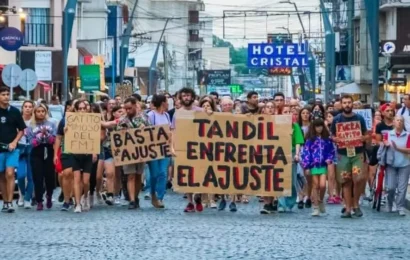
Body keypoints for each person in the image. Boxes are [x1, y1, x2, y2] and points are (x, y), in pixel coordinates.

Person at [331, 94, 368, 218]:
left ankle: (355, 204)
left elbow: (366, 134)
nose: (347, 105)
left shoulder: (359, 118)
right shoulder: (336, 119)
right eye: (345, 103)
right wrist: (335, 138)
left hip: (357, 153)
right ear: (341, 104)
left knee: (358, 179)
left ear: (352, 104)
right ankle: (348, 208)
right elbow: (331, 135)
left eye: (349, 102)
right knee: (345, 181)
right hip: (343, 154)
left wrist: (363, 138)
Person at [170, 87, 203, 213]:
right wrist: (172, 147)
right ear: (180, 98)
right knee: (186, 175)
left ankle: (198, 194)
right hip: (183, 148)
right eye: (184, 96)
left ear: (193, 97)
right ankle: (190, 202)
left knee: (199, 173)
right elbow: (173, 131)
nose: (186, 98)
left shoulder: (200, 111)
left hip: (199, 148)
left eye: (188, 95)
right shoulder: (177, 113)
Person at [116, 97, 150, 209]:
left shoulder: (144, 118)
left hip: (141, 151)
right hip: (128, 152)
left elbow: (152, 132)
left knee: (138, 175)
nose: (128, 111)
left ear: (135, 106)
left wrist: (144, 129)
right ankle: (131, 200)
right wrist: (121, 132)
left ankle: (136, 197)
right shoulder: (122, 120)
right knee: (130, 175)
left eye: (130, 108)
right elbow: (116, 137)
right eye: (126, 109)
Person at [0, 86, 26, 213]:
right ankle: (5, 201)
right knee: (1, 175)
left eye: (7, 94)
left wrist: (15, 142)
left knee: (10, 173)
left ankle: (10, 202)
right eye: (3, 94)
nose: (6, 96)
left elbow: (22, 130)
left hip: (11, 148)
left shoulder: (15, 111)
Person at [27, 103, 57, 210]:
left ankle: (49, 195)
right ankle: (39, 200)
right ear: (35, 113)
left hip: (48, 150)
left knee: (49, 177)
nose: (41, 113)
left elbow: (54, 140)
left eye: (42, 111)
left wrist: (47, 135)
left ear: (46, 112)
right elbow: (31, 143)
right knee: (37, 177)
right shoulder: (31, 125)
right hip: (36, 152)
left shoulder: (52, 123)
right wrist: (40, 135)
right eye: (38, 111)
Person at [302, 119, 335, 216]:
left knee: (323, 185)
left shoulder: (327, 139)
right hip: (313, 165)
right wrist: (307, 166)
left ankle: (320, 200)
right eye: (317, 126)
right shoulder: (310, 140)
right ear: (314, 127)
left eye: (320, 126)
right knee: (315, 186)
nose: (319, 128)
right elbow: (306, 153)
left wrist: (329, 158)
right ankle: (316, 207)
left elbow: (331, 151)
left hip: (323, 165)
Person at [147, 94, 171, 209]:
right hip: (153, 149)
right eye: (167, 101)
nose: (168, 103)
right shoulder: (151, 115)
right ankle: (152, 193)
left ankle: (160, 197)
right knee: (154, 174)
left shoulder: (167, 115)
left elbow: (170, 131)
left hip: (165, 148)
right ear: (162, 103)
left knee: (163, 173)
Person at [382, 115, 410, 216]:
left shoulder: (407, 135)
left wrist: (398, 148)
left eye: (401, 121)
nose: (399, 122)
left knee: (402, 188)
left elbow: (409, 149)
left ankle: (400, 206)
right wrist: (385, 144)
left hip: (404, 163)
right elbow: (383, 144)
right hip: (391, 163)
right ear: (393, 122)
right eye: (397, 120)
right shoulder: (388, 134)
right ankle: (390, 204)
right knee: (391, 187)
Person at [17, 101, 34, 208]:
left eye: (30, 107)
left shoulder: (35, 121)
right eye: (26, 107)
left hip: (32, 148)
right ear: (22, 108)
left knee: (31, 176)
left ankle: (28, 198)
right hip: (20, 148)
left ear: (33, 108)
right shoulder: (17, 120)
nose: (27, 109)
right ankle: (22, 194)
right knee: (21, 175)